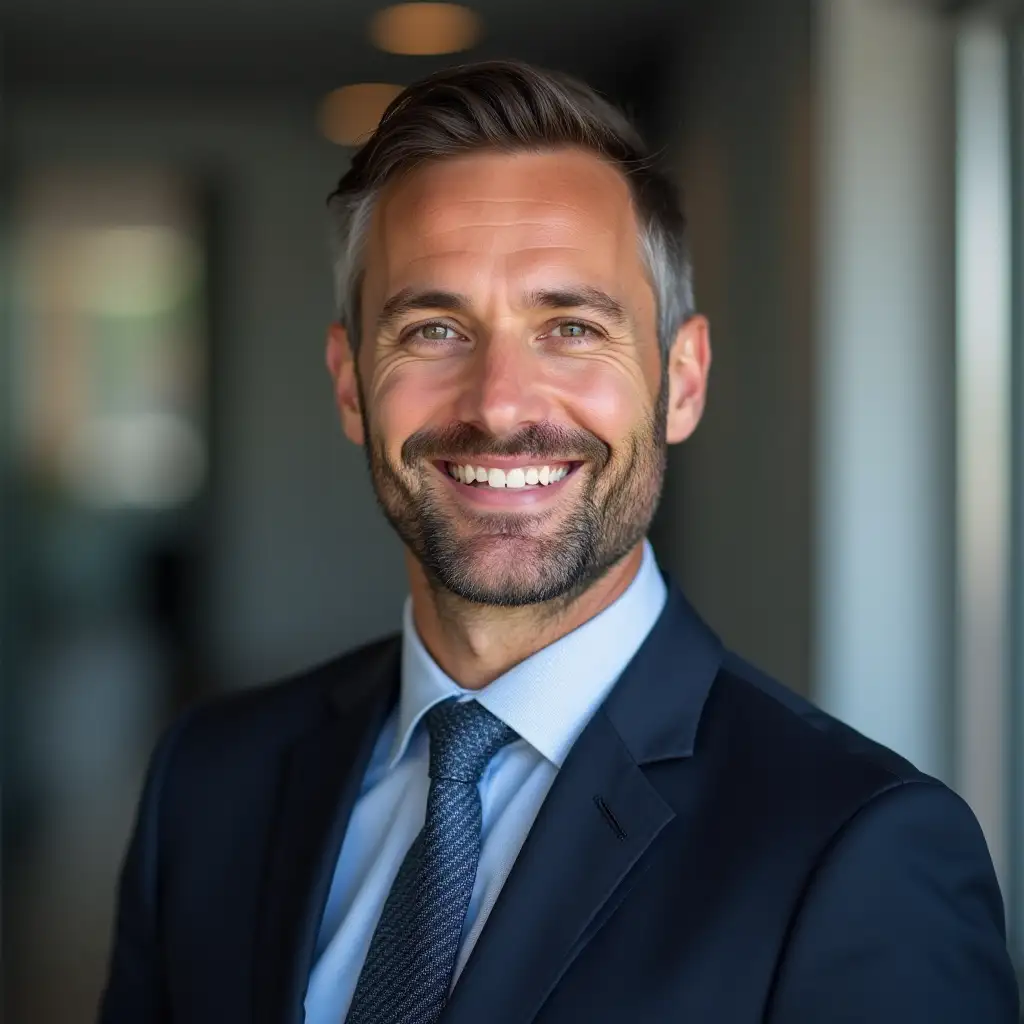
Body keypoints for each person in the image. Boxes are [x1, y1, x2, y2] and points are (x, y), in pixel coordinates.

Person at [98, 60, 1020, 1024]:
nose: (498, 404)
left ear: (684, 378)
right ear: (348, 383)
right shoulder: (208, 784)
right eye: (433, 330)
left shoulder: (856, 851)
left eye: (572, 327)